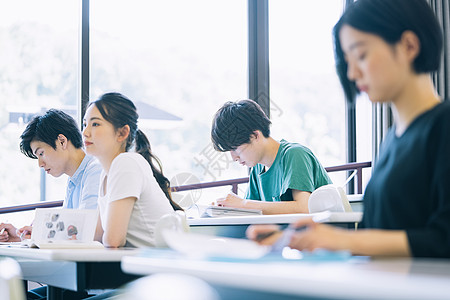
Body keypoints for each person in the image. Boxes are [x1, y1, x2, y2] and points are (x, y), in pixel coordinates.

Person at [247, 0, 450, 258]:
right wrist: (299, 238)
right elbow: (380, 232)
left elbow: (444, 238)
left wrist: (341, 240)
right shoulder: (392, 140)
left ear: (409, 45)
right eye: (348, 61)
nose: (352, 73)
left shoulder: (443, 127)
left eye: (361, 55)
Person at [83, 92, 182, 248]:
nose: (85, 132)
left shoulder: (126, 163)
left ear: (122, 133)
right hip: (143, 262)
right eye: (85, 124)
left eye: (95, 124)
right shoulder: (105, 174)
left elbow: (113, 241)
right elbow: (97, 235)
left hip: (158, 264)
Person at [211, 99, 332, 214]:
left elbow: (304, 208)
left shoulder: (295, 155)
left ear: (255, 136)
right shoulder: (257, 169)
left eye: (235, 148)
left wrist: (242, 203)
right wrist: (227, 209)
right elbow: (251, 212)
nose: (234, 158)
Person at [0, 109, 102, 243]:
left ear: (61, 141)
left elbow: (85, 230)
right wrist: (19, 236)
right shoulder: (74, 180)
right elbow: (68, 234)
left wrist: (39, 232)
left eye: (41, 153)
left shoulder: (96, 171)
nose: (40, 164)